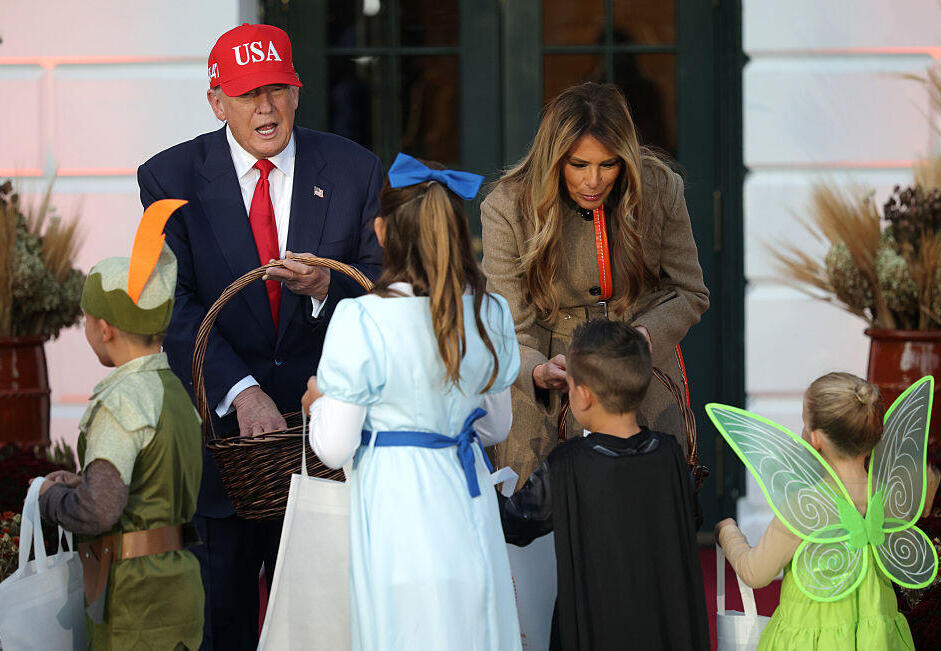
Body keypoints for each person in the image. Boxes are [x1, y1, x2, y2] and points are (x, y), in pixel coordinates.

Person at [136, 23, 383, 649]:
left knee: (331, 630)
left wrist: (327, 287)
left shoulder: (355, 170)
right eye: (248, 94)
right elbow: (173, 304)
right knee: (228, 629)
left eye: (278, 89)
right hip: (228, 460)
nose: (266, 107)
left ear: (298, 94)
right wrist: (241, 392)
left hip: (332, 456)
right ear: (217, 102)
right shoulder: (168, 179)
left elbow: (387, 293)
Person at [301, 154, 523, 650]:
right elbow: (496, 428)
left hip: (396, 509)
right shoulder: (490, 311)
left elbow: (334, 448)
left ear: (382, 233)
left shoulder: (362, 319)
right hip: (467, 502)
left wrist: (318, 402)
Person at [481, 82, 709, 488]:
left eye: (608, 164)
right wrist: (536, 370)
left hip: (642, 379)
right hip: (546, 398)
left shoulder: (660, 187)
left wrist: (642, 336)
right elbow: (507, 323)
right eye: (578, 165)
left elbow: (690, 293)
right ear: (554, 159)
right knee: (542, 531)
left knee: (644, 516)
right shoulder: (506, 206)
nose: (593, 181)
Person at [38, 200, 203, 650]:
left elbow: (100, 510)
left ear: (106, 328)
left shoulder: (121, 401)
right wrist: (83, 482)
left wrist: (52, 498)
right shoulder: (174, 392)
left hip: (134, 597)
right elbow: (151, 486)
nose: (88, 330)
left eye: (87, 321)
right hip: (180, 584)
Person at [498, 319, 709, 650]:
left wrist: (477, 487)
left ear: (582, 395)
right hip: (662, 625)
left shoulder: (568, 463)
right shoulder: (669, 454)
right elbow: (692, 518)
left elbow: (516, 522)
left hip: (595, 628)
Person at [713, 372, 941, 649]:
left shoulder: (805, 506)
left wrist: (728, 534)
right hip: (878, 641)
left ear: (817, 437)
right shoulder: (891, 497)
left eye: (804, 423)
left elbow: (756, 573)